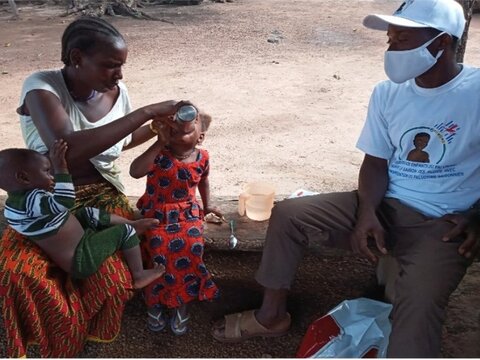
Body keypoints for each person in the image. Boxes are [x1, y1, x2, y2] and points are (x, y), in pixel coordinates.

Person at [212, 0, 480, 357]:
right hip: (385, 204)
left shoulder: (474, 93)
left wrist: (478, 215)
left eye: (402, 40)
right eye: (390, 39)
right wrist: (367, 211)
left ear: (441, 43)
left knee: (417, 311)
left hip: (443, 224)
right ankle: (271, 315)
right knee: (290, 214)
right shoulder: (388, 93)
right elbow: (375, 161)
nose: (391, 49)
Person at [0, 16, 190, 357]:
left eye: (121, 66)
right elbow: (68, 149)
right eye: (110, 66)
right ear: (76, 58)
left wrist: (157, 129)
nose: (119, 75)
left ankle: (85, 338)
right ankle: (48, 342)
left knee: (113, 278)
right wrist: (146, 111)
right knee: (17, 272)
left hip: (100, 191)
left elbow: (119, 140)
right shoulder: (41, 87)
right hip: (44, 199)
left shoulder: (118, 92)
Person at [0, 141, 165, 288]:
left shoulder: (16, 205)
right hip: (81, 257)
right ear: (23, 178)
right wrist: (60, 168)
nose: (51, 177)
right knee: (124, 232)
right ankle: (139, 275)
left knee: (87, 213)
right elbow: (66, 202)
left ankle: (133, 225)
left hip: (78, 240)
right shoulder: (33, 202)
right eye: (46, 171)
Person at [130, 109, 222, 335]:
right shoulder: (159, 154)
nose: (175, 133)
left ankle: (181, 304)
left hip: (187, 213)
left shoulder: (203, 157)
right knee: (159, 252)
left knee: (193, 250)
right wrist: (157, 143)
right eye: (171, 130)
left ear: (200, 137)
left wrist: (207, 205)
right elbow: (134, 171)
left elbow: (204, 182)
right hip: (157, 212)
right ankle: (155, 304)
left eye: (185, 130)